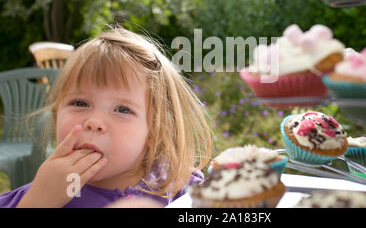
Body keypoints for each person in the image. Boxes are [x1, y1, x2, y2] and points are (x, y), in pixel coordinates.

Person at [0, 27, 213, 208]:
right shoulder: (44, 193)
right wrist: (38, 201)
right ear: (57, 116)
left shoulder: (177, 187)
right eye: (80, 103)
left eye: (122, 109)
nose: (94, 122)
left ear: (154, 130)